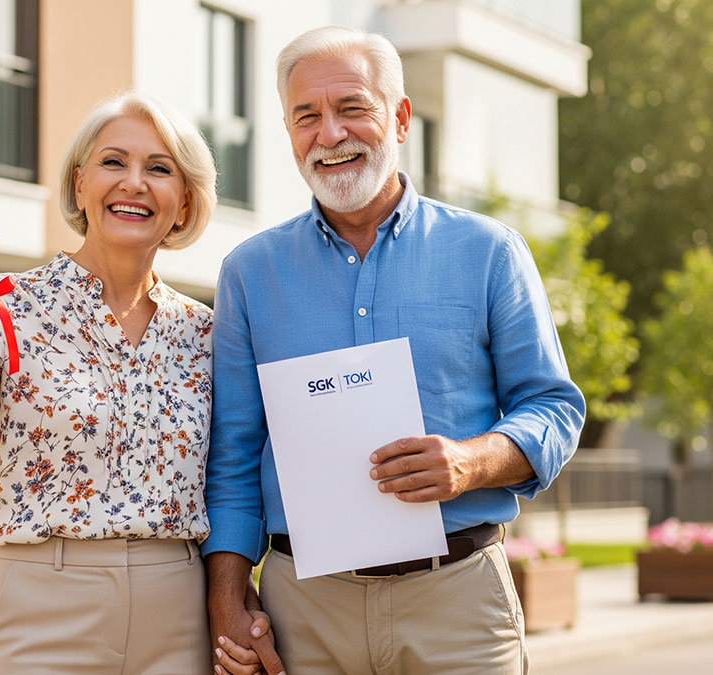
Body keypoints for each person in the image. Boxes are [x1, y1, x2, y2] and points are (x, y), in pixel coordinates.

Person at [204, 26, 586, 675]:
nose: (330, 133)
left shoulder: (490, 252)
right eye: (307, 116)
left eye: (352, 107)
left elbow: (553, 407)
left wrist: (470, 461)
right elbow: (232, 455)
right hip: (307, 609)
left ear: (401, 117)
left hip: (457, 599)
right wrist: (226, 601)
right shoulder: (248, 273)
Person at [0, 93, 269, 674]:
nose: (134, 182)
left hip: (178, 609)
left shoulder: (207, 333)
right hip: (40, 607)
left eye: (159, 169)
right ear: (80, 184)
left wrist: (234, 596)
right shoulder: (8, 308)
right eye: (114, 163)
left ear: (184, 203)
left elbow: (232, 477)